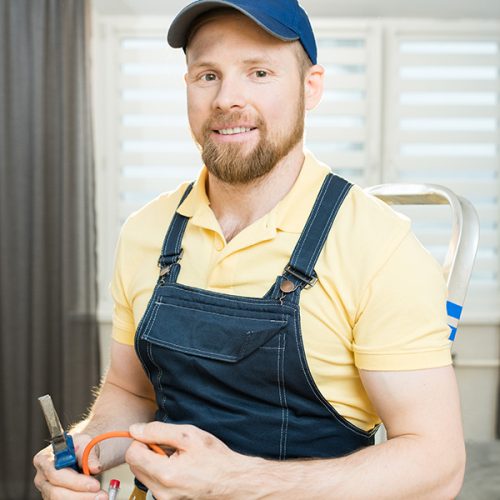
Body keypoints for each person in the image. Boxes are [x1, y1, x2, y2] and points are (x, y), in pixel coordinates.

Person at [34, 1, 466, 498]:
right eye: (208, 75)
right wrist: (83, 450)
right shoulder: (145, 232)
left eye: (259, 72)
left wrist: (237, 482)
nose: (227, 98)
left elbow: (439, 464)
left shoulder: (379, 245)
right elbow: (133, 392)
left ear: (311, 87)